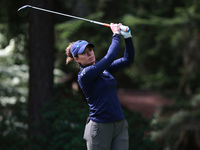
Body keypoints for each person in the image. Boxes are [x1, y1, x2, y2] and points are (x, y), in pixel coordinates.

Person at [65, 23, 134, 150]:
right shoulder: (85, 74)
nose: (90, 54)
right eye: (84, 53)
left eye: (90, 50)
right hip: (100, 128)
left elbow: (128, 59)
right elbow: (111, 56)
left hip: (119, 124)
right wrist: (116, 34)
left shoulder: (102, 68)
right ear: (76, 59)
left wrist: (128, 37)